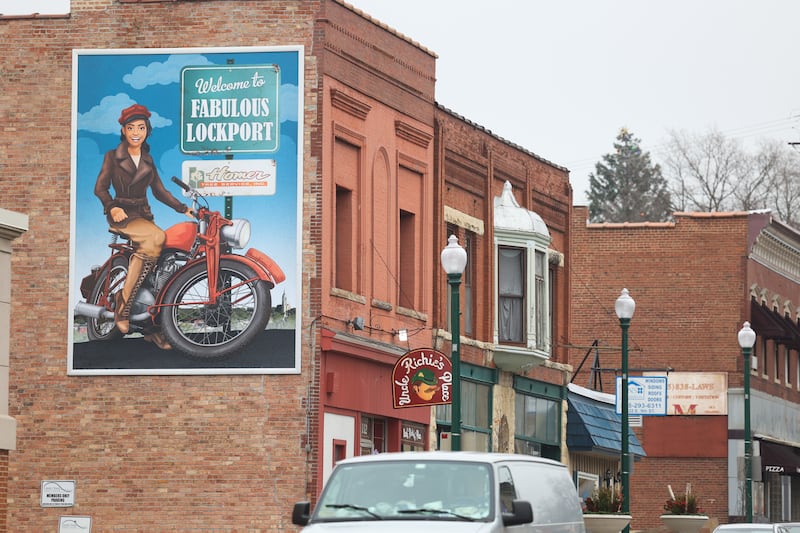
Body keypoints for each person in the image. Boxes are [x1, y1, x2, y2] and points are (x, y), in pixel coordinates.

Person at [94, 103, 192, 349]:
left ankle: (151, 327)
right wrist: (111, 206)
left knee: (163, 266)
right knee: (155, 238)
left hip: (144, 216)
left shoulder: (148, 161)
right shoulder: (112, 157)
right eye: (131, 127)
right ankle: (123, 306)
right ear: (124, 131)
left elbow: (159, 192)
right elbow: (100, 188)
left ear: (147, 130)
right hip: (122, 214)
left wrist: (183, 208)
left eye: (141, 127)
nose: (136, 132)